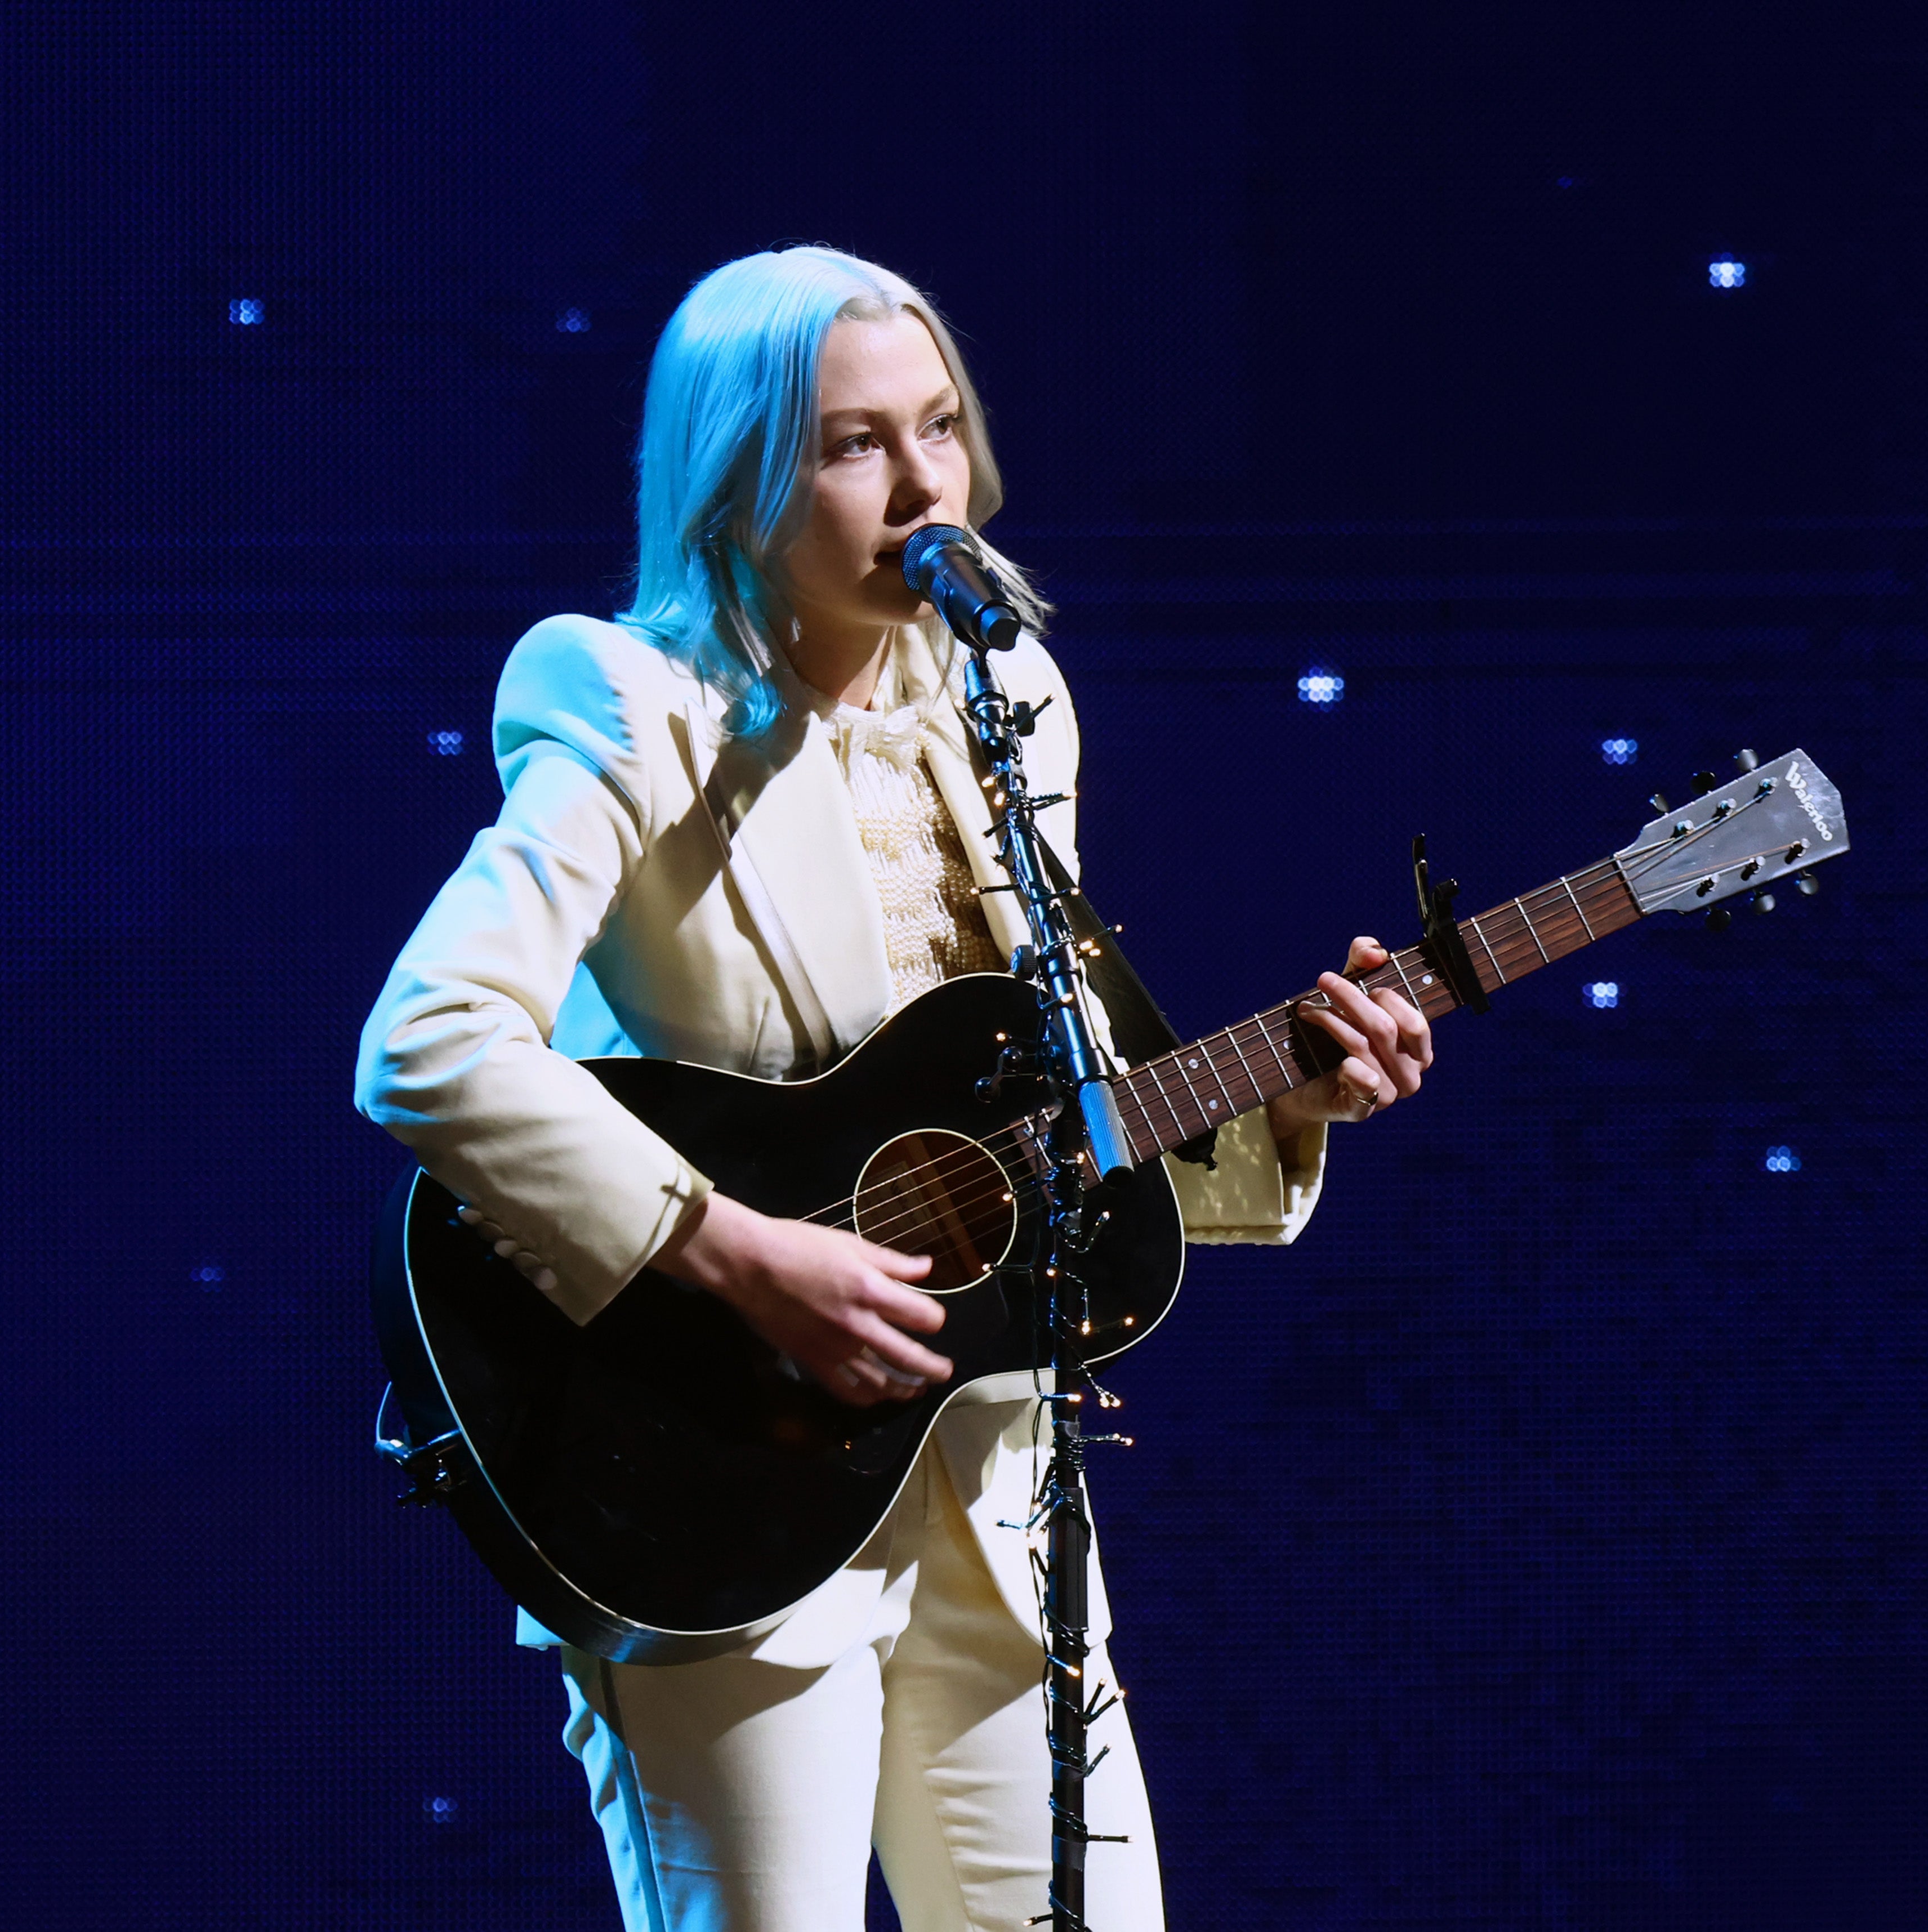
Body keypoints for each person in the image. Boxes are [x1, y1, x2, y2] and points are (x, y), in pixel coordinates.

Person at [354, 245, 1431, 1932]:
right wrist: (734, 1250)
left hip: (989, 1473)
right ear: (741, 475)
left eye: (937, 426)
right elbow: (428, 1044)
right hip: (722, 1476)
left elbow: (1048, 1111)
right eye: (856, 444)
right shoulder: (630, 702)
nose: (925, 481)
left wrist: (1292, 1103)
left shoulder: (1004, 705)